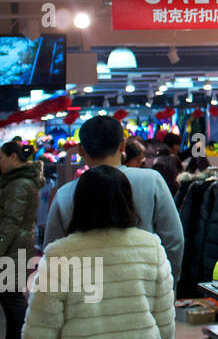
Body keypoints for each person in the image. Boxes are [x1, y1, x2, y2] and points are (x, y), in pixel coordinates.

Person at [21, 165, 175, 339]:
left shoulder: (60, 255)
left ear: (80, 203)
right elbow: (164, 320)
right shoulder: (150, 247)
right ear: (127, 200)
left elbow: (41, 333)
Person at [44, 116, 185, 288]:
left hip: (85, 298)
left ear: (80, 149)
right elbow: (173, 239)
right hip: (142, 292)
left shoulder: (65, 194)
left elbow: (52, 255)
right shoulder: (152, 181)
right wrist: (166, 286)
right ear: (123, 145)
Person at [0, 141, 40, 339]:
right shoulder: (18, 181)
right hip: (16, 244)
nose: (0, 163)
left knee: (12, 295)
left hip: (14, 246)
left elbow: (11, 221)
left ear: (14, 157)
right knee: (8, 295)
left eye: (1, 158)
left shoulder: (19, 184)